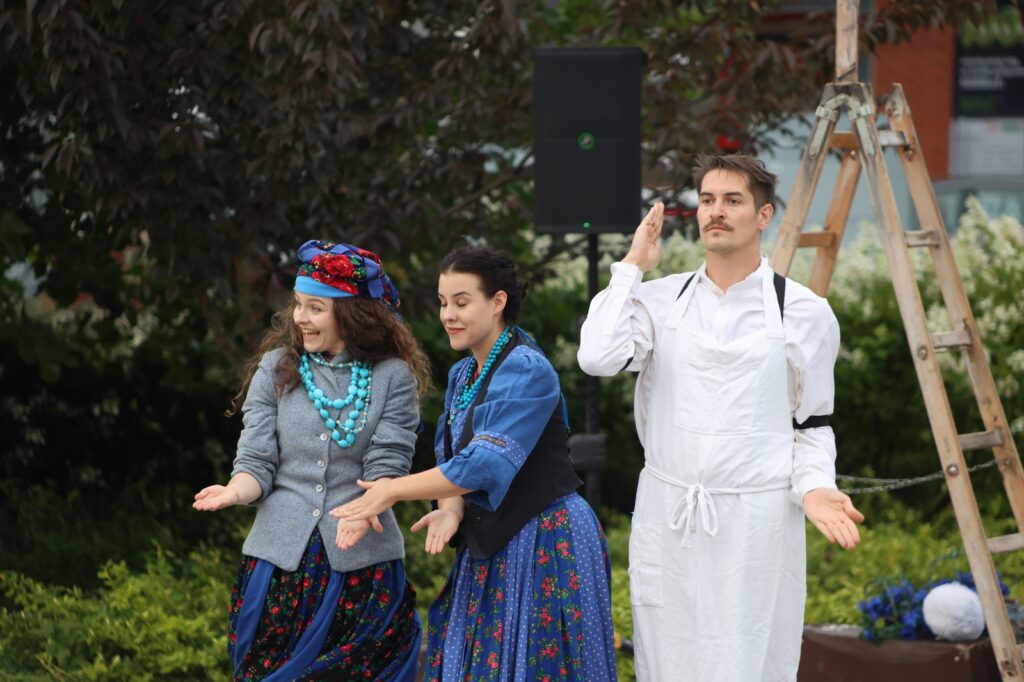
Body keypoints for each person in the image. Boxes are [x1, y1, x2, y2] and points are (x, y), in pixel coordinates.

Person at [577, 154, 865, 681]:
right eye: (708, 200)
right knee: (668, 661)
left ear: (763, 215)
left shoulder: (805, 312)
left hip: (757, 525)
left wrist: (816, 487)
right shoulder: (660, 300)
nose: (716, 211)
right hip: (669, 515)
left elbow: (811, 425)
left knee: (748, 660)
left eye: (733, 200)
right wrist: (632, 266)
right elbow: (597, 357)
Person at [332, 246, 618, 681]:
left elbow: (484, 463)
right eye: (443, 302)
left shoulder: (527, 368)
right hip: (493, 544)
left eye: (461, 302)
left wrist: (391, 489)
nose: (448, 315)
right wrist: (451, 509)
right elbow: (451, 455)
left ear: (497, 301)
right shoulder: (463, 374)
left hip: (546, 538)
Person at [193, 240, 430, 681]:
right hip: (278, 569)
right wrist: (234, 491)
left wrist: (367, 509)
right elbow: (256, 461)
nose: (300, 317)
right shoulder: (274, 367)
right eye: (298, 304)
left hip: (362, 567)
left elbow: (388, 463)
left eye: (315, 308)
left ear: (353, 313)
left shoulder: (392, 376)